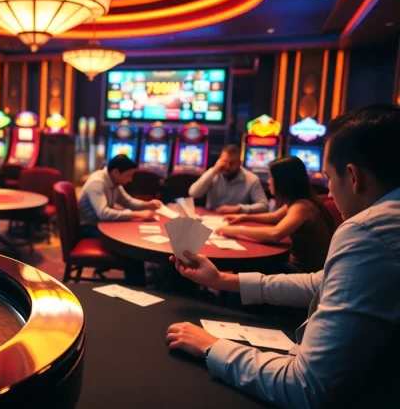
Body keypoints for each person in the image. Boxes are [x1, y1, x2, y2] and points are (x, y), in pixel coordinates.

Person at [165, 104, 400, 408]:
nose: (327, 192)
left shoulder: (367, 231)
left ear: (353, 177)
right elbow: (322, 282)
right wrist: (223, 279)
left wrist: (213, 347)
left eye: (327, 177)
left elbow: (307, 387)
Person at [215, 156, 336, 273]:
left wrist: (236, 230)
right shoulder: (297, 201)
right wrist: (243, 217)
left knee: (246, 269)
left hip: (304, 273)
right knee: (245, 269)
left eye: (271, 177)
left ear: (282, 181)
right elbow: (274, 217)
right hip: (293, 264)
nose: (268, 181)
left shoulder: (302, 207)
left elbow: (275, 233)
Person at [78, 154, 163, 238]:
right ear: (116, 172)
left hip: (102, 223)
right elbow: (103, 213)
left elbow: (127, 201)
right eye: (128, 175)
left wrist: (148, 204)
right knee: (129, 236)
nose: (130, 180)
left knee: (132, 231)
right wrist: (137, 214)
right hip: (89, 227)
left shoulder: (114, 181)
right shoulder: (97, 183)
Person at [188, 144, 269, 214]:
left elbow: (264, 206)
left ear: (239, 163)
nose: (227, 166)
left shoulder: (252, 179)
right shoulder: (213, 173)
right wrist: (213, 171)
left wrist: (238, 208)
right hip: (211, 217)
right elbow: (193, 193)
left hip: (236, 219)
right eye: (224, 161)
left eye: (231, 163)